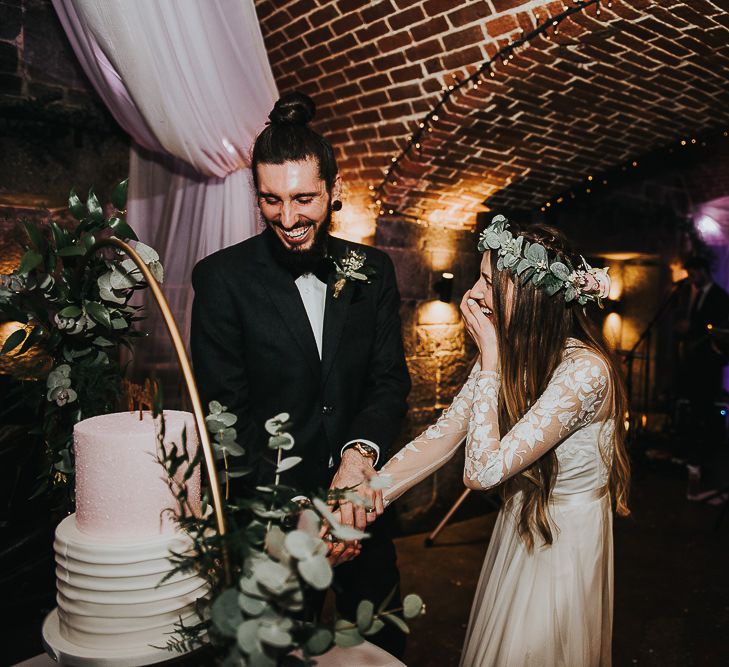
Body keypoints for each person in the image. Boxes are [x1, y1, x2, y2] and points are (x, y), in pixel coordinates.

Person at [190, 92, 411, 657]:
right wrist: (302, 521)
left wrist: (358, 464)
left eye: (304, 199)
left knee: (381, 642)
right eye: (271, 200)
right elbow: (227, 418)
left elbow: (388, 381)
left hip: (364, 508)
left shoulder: (372, 271)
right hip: (274, 521)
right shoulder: (222, 280)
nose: (288, 219)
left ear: (335, 192)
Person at [372, 216, 631, 666]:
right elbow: (445, 435)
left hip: (566, 540)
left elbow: (482, 472)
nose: (473, 294)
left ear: (529, 298)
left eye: (489, 282)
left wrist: (490, 357)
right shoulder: (513, 349)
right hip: (523, 517)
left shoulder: (586, 371)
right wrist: (360, 496)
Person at [676, 256, 729, 497]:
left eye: (694, 273)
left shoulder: (720, 297)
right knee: (692, 412)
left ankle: (703, 464)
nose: (691, 278)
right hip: (692, 365)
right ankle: (691, 460)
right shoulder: (691, 294)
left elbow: (719, 332)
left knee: (705, 413)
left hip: (708, 366)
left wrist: (695, 331)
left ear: (704, 271)